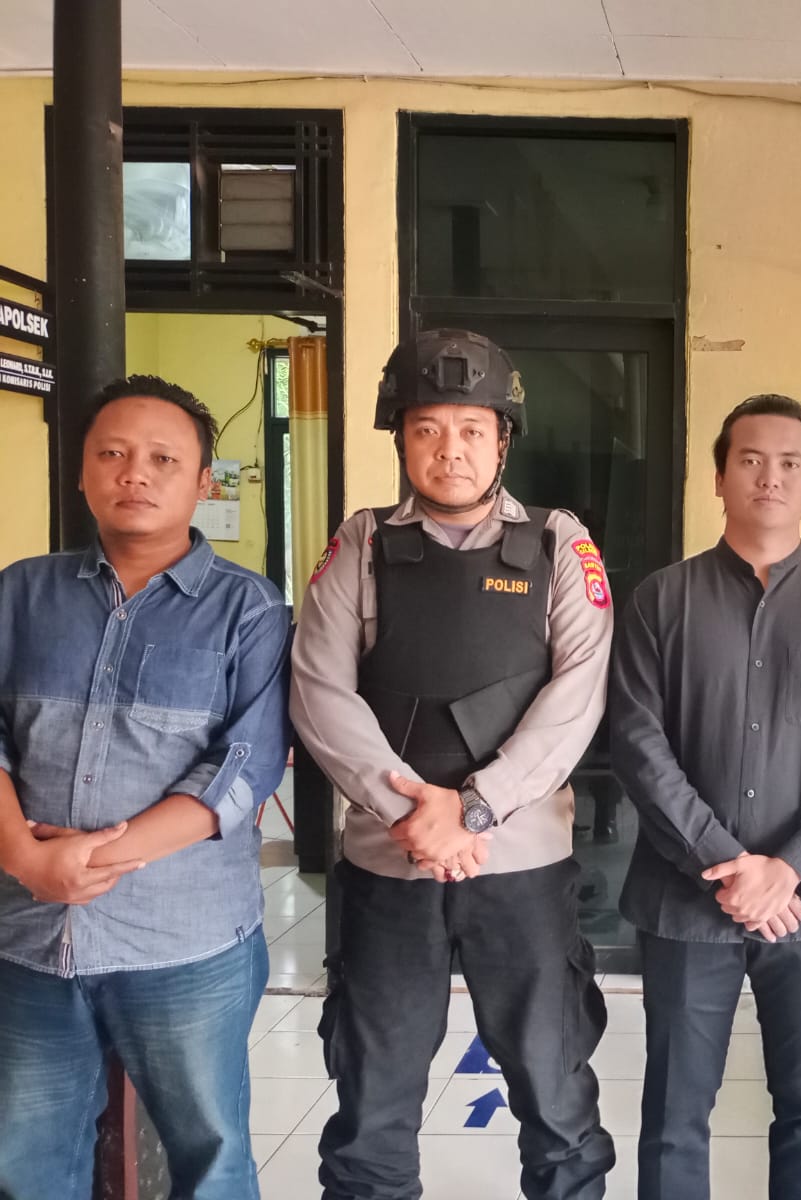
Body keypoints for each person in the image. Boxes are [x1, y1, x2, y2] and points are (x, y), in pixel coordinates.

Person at [290, 329, 615, 1200]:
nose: (450, 450)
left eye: (472, 429)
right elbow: (320, 691)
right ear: (400, 439)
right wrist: (413, 814)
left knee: (555, 1093)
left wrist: (472, 808)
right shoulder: (360, 544)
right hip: (390, 867)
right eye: (427, 429)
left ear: (503, 440)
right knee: (372, 1103)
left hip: (521, 870)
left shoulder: (558, 543)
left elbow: (577, 697)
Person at [0, 375, 292, 1200]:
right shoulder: (20, 593)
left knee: (210, 1160)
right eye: (113, 454)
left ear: (202, 481)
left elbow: (244, 768)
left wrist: (89, 859)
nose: (136, 472)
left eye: (164, 459)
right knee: (25, 1165)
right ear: (82, 472)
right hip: (26, 936)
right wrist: (24, 856)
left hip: (185, 944)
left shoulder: (248, 610)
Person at [610, 393, 801, 1200]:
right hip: (683, 905)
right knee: (674, 1114)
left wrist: (789, 868)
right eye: (749, 460)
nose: (769, 477)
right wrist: (725, 862)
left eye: (788, 463)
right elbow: (636, 742)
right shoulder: (660, 601)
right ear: (718, 477)